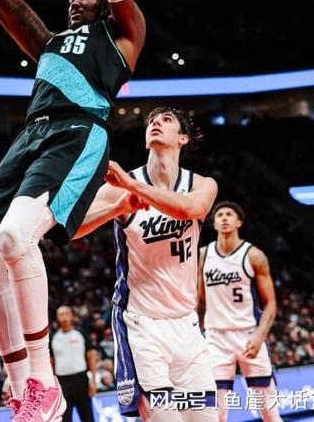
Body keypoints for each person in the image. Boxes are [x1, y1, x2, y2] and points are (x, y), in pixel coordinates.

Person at [0, 0, 146, 422]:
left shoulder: (123, 35)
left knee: (17, 238)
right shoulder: (48, 42)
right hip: (31, 136)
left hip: (79, 133)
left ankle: (45, 379)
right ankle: (23, 384)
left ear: (105, 3)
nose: (73, 1)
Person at [76, 107, 218, 422]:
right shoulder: (120, 188)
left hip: (187, 325)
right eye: (152, 120)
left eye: (166, 120)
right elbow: (71, 229)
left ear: (183, 138)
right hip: (142, 325)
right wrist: (116, 207)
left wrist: (132, 187)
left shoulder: (201, 184)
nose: (156, 122)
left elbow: (190, 209)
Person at [197, 202, 281, 422]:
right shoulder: (203, 255)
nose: (224, 218)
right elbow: (200, 302)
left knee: (269, 413)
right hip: (215, 338)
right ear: (214, 223)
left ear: (239, 222)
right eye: (220, 215)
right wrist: (195, 335)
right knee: (216, 414)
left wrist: (260, 335)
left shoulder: (254, 256)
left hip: (249, 335)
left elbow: (271, 304)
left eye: (229, 214)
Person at [50, 306, 96, 422]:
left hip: (81, 379)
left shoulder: (81, 333)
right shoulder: (53, 338)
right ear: (57, 318)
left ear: (72, 316)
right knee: (65, 418)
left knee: (87, 416)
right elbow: (51, 362)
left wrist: (93, 381)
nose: (64, 317)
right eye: (60, 314)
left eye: (66, 313)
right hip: (62, 382)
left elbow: (91, 357)